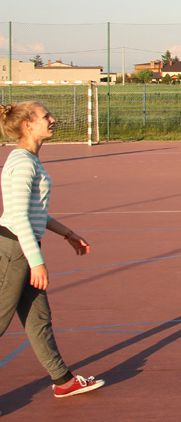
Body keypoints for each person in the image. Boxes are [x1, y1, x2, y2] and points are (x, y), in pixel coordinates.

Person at [0, 102, 106, 398]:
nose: (53, 119)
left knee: (38, 320)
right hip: (15, 250)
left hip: (22, 247)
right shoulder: (23, 163)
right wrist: (36, 262)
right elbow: (19, 217)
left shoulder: (29, 160)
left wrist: (68, 234)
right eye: (45, 116)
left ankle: (63, 381)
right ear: (28, 125)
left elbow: (36, 212)